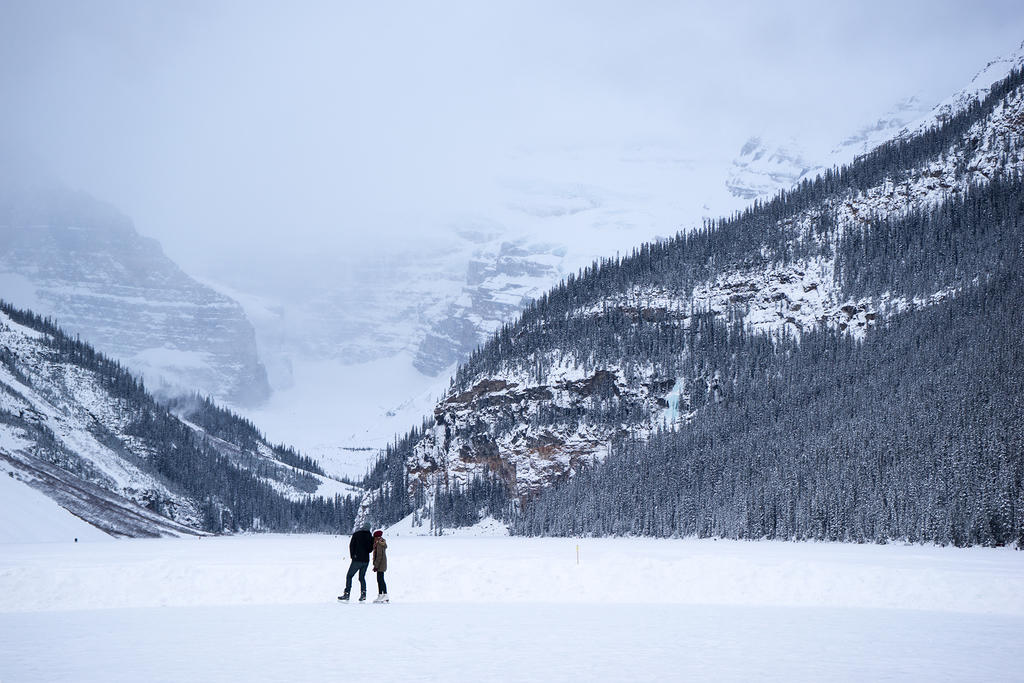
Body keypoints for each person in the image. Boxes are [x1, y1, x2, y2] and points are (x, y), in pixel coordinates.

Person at [339, 524, 374, 602]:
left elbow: (351, 546)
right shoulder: (370, 537)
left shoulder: (356, 534)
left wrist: (353, 556)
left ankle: (347, 594)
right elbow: (370, 550)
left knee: (349, 576)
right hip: (366, 561)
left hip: (357, 560)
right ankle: (363, 594)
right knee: (362, 578)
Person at [372, 530, 388, 603]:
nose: (374, 539)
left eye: (375, 537)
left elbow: (379, 556)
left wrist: (376, 566)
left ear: (377, 537)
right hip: (382, 563)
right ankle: (381, 595)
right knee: (380, 579)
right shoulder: (381, 543)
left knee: (380, 580)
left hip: (380, 564)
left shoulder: (379, 544)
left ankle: (384, 595)